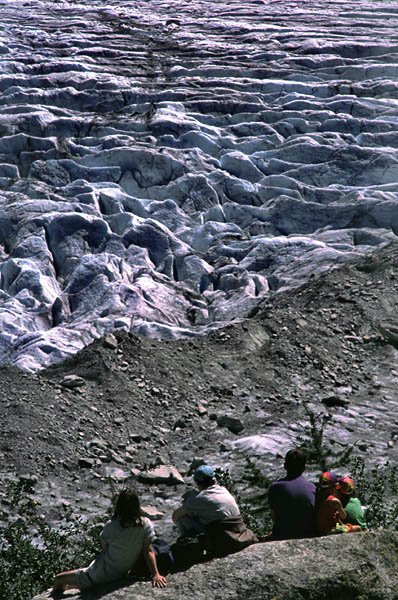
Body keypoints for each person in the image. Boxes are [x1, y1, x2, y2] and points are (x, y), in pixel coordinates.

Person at [52, 488, 167, 593]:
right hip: (120, 573)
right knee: (74, 584)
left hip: (98, 574)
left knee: (58, 579)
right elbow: (148, 551)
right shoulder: (145, 525)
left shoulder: (111, 526)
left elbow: (104, 549)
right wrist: (155, 574)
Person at [172, 465, 257, 556]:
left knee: (183, 518)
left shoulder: (200, 498)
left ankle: (188, 543)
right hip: (239, 531)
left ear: (197, 482)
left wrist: (190, 505)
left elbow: (175, 516)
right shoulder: (223, 490)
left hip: (225, 537)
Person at [267, 448, 316, 540]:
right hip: (307, 534)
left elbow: (274, 517)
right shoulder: (312, 487)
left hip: (282, 535)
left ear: (285, 466)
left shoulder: (275, 488)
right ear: (304, 467)